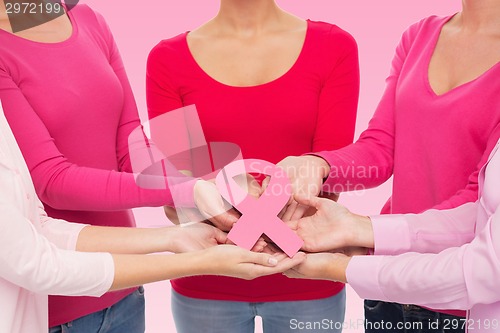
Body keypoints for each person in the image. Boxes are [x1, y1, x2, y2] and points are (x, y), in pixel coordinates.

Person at [0, 2, 237, 332]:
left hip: (127, 290)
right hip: (58, 305)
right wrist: (185, 189)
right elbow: (52, 181)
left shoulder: (88, 19)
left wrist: (205, 192)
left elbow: (132, 146)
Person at [276, 0, 500, 331]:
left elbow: (480, 200)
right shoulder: (419, 36)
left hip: (457, 295)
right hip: (384, 284)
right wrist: (318, 165)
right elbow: (380, 148)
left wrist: (366, 235)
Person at [0, 100, 305, 333]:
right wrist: (195, 252)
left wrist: (174, 235)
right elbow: (36, 262)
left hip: (118, 301)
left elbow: (38, 230)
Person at [146, 0, 359, 331]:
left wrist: (251, 218)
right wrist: (241, 218)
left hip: (308, 277)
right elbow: (177, 194)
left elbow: (331, 177)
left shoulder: (333, 47)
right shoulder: (167, 60)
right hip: (208, 280)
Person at [284, 137, 500, 333]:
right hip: (403, 287)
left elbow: (482, 272)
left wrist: (340, 267)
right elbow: (481, 214)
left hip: (445, 302)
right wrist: (361, 229)